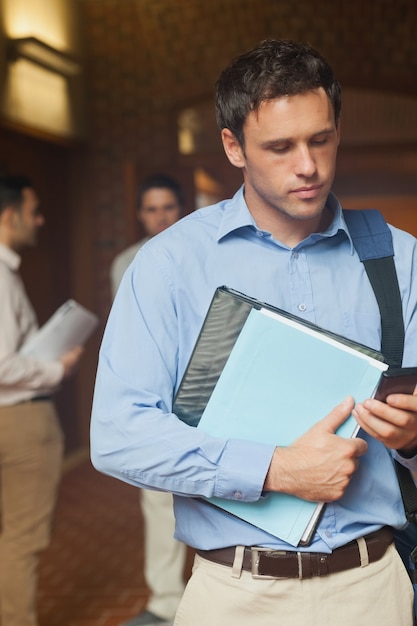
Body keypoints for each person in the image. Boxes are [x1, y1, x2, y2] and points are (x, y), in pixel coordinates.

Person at [90, 39, 417, 626]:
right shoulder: (170, 265)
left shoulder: (400, 258)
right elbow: (118, 434)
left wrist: (414, 436)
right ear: (233, 147)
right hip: (236, 594)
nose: (308, 166)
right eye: (280, 147)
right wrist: (275, 470)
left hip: (376, 586)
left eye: (320, 139)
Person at [0, 175, 84, 626]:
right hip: (19, 421)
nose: (41, 220)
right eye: (34, 212)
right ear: (9, 216)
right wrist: (58, 368)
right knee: (21, 540)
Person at [110, 174, 187, 626]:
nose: (160, 217)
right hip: (153, 395)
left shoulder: (204, 253)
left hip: (202, 389)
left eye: (168, 208)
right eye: (151, 209)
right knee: (157, 497)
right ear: (140, 214)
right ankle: (166, 599)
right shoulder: (125, 262)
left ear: (182, 209)